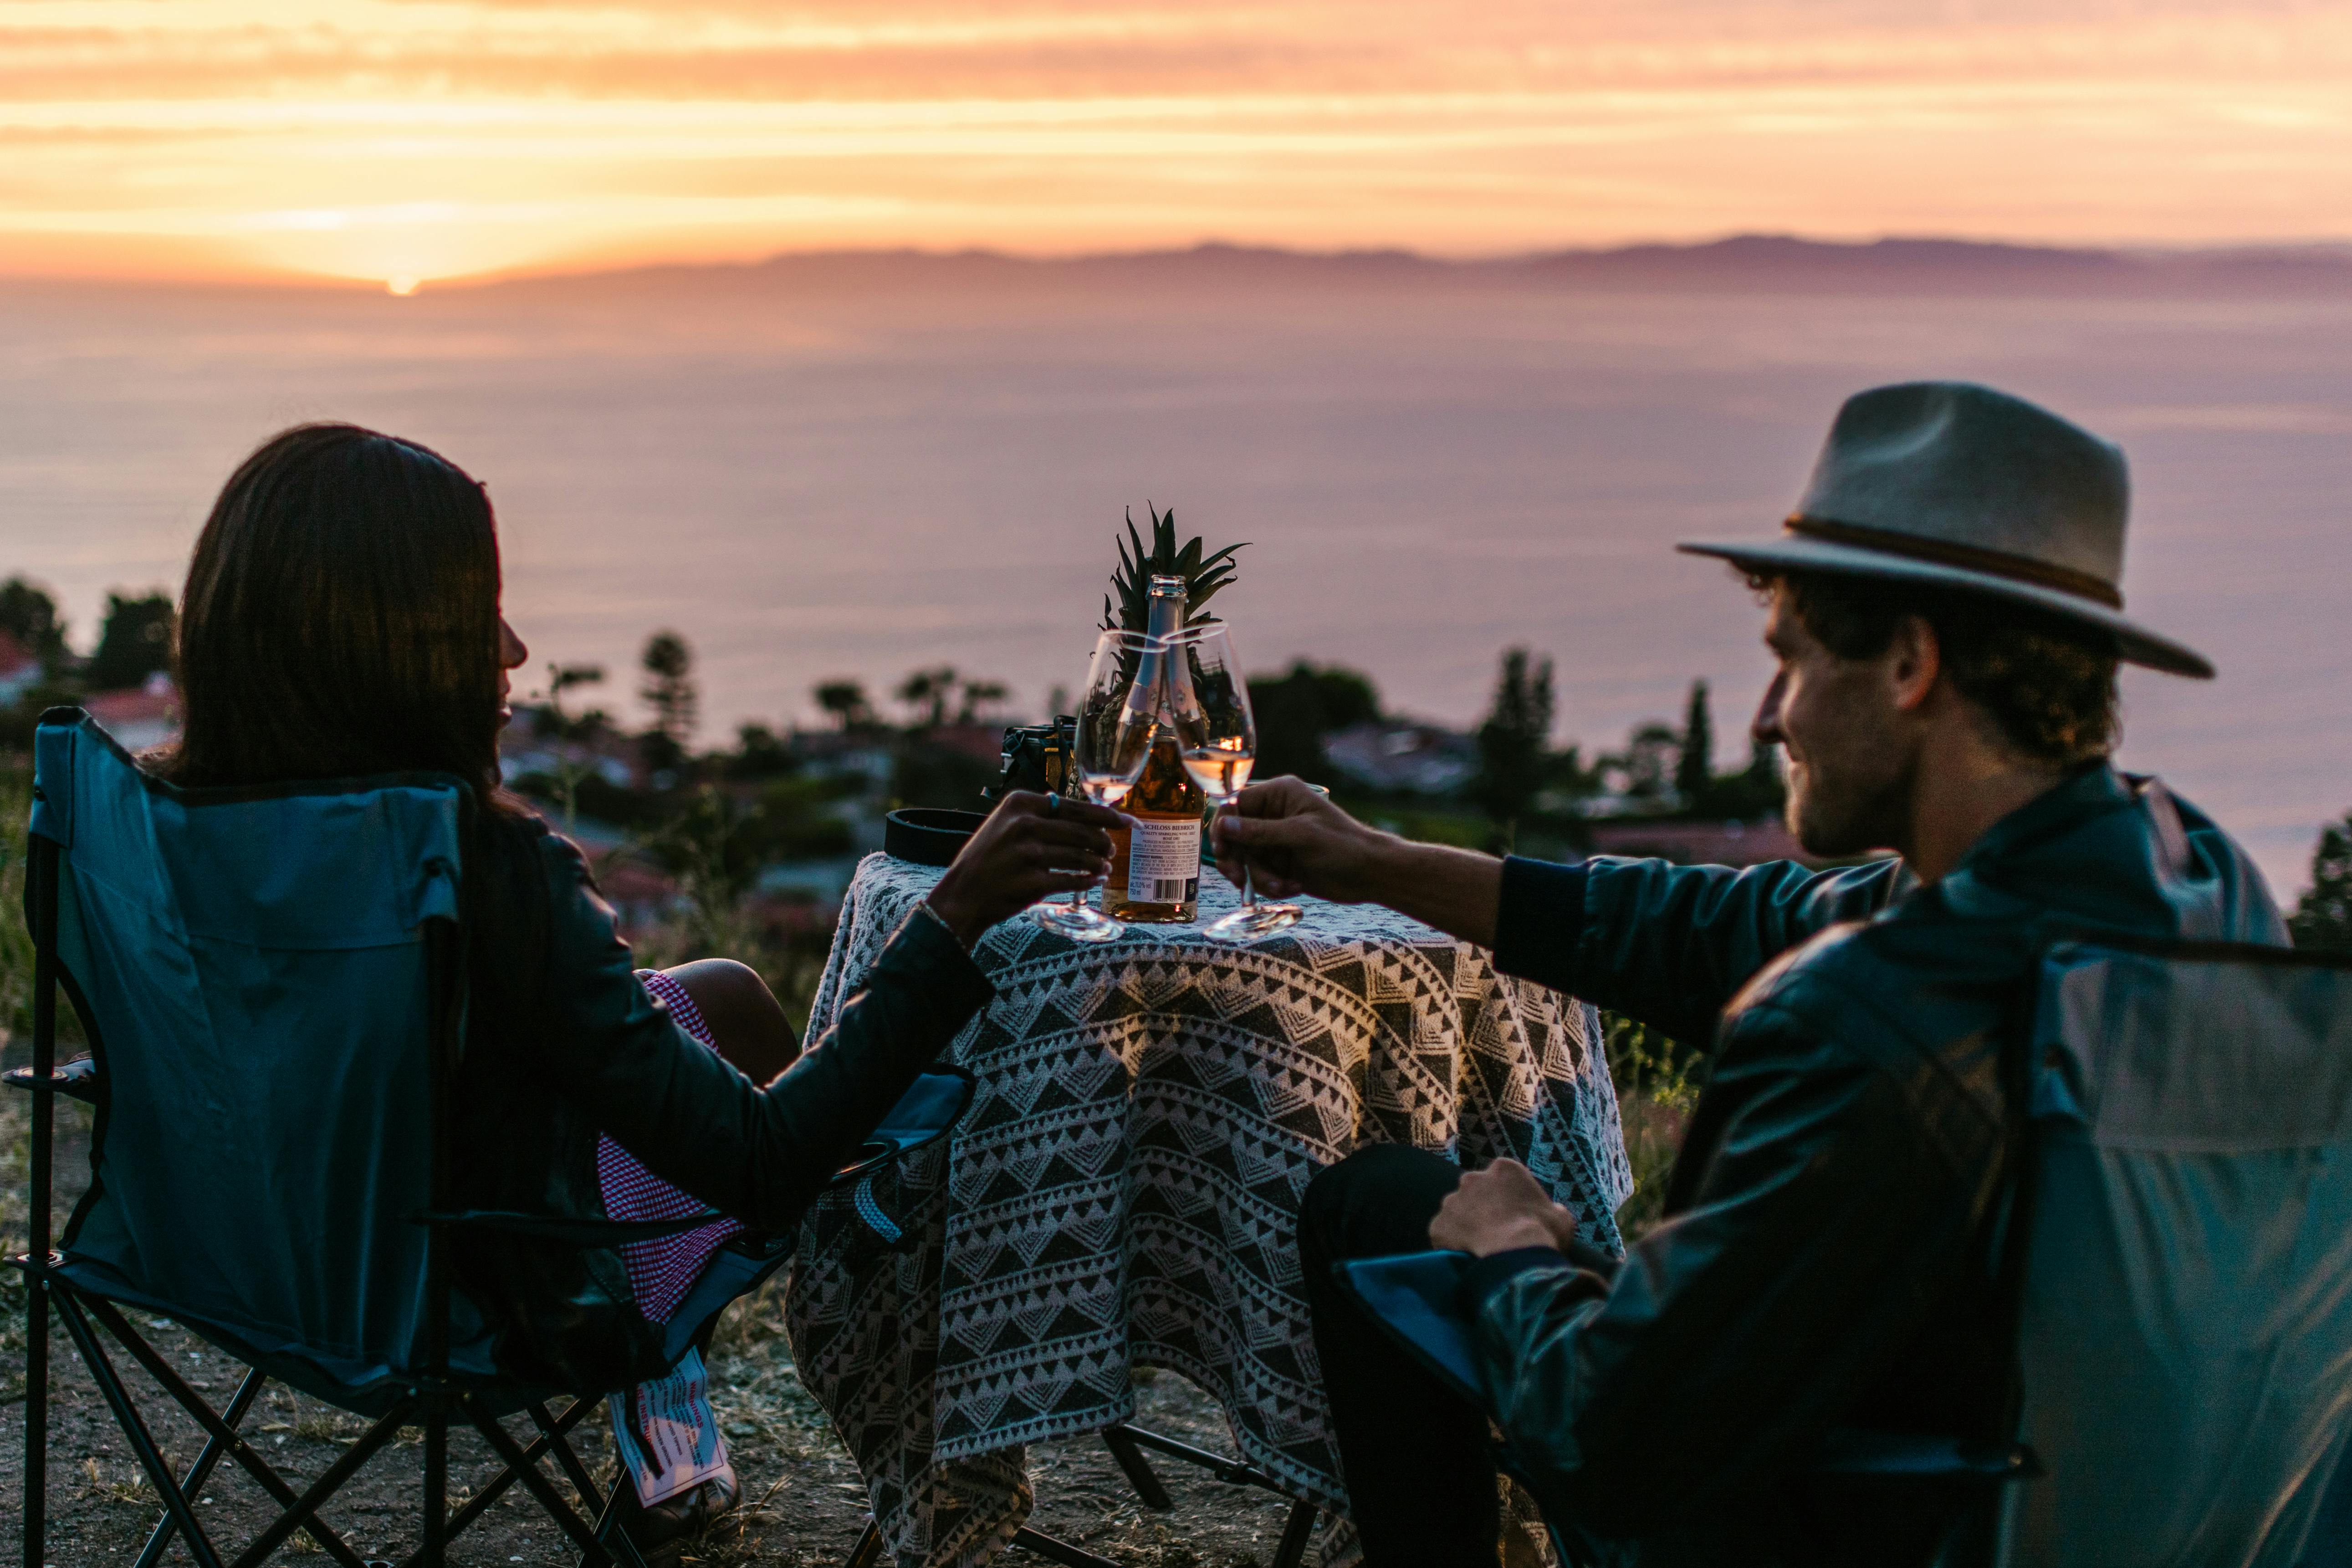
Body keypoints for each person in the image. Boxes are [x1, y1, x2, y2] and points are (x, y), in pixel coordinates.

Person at [1213, 383, 2287, 1566]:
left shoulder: (1866, 1021)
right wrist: (1373, 862)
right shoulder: (2190, 876)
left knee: (1380, 1203)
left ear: (1909, 664)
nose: (1770, 719)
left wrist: (1514, 1249)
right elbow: (1707, 922)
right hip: (2106, 1504)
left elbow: (1608, 1440)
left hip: (1825, 1525)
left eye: (1788, 661)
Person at [163, 422, 1120, 1559]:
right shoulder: (486, 871)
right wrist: (952, 915)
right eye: (482, 618)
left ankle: (671, 1432)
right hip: (467, 1289)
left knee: (719, 997)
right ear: (389, 647)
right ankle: (723, 1408)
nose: (513, 651)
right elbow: (761, 1162)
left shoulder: (166, 827)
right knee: (848, 1133)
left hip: (248, 1252)